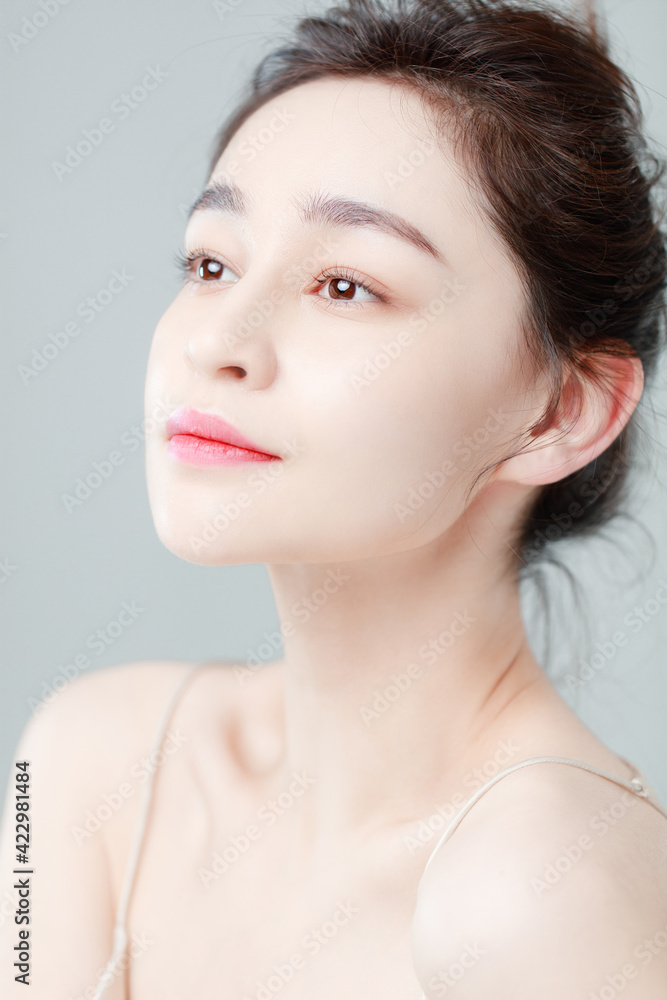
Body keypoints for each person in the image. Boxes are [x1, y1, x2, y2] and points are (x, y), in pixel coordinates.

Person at [1, 0, 667, 997]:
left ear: (560, 411)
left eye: (345, 285)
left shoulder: (541, 887)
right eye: (211, 262)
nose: (214, 339)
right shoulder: (86, 758)